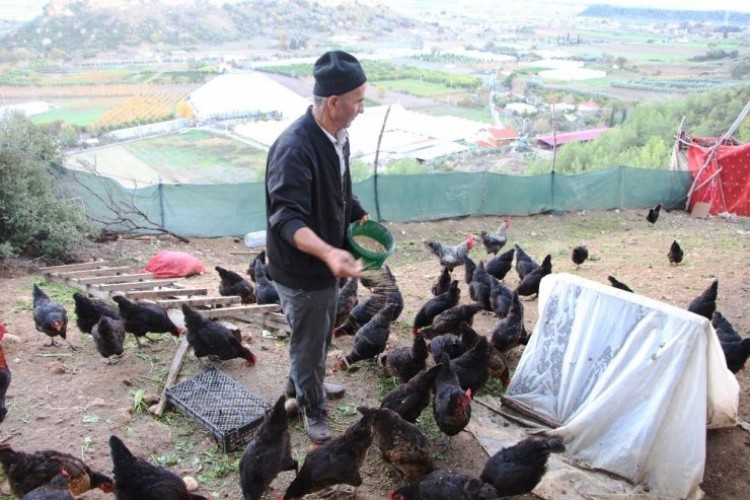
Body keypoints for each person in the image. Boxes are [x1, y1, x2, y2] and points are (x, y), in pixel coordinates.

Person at [264, 50, 369, 444]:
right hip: (301, 268)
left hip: (327, 263)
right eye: (357, 100)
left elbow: (340, 187)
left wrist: (356, 214)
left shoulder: (338, 137)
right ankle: (312, 408)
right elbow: (287, 219)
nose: (362, 108)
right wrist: (327, 251)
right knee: (309, 343)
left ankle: (306, 384)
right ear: (334, 102)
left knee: (321, 332)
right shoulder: (295, 148)